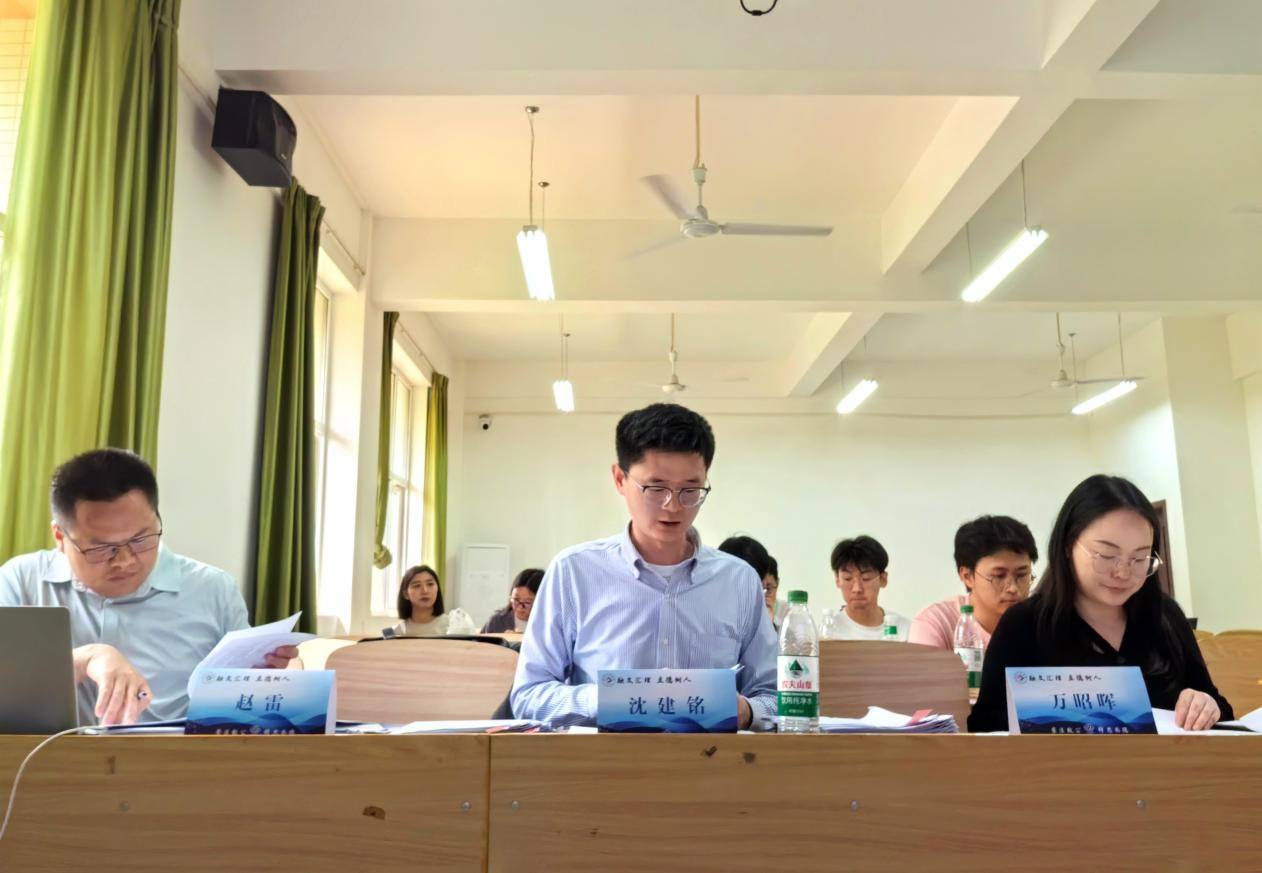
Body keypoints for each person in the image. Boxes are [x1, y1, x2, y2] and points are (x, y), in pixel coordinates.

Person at [511, 403, 777, 729]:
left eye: (691, 490)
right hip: (606, 758)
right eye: (656, 488)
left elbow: (775, 695)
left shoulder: (738, 581)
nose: (673, 505)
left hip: (710, 757)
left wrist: (746, 710)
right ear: (620, 479)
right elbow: (530, 695)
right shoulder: (574, 572)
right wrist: (614, 699)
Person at [0, 448, 297, 726]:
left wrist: (260, 679)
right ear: (60, 537)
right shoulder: (21, 581)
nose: (125, 561)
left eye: (141, 540)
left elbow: (238, 705)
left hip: (172, 758)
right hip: (48, 759)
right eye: (102, 548)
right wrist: (87, 658)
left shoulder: (213, 589)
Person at [969, 475, 1232, 732]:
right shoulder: (1023, 625)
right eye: (1106, 555)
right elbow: (984, 724)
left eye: (1140, 559)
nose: (1123, 573)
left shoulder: (1165, 616)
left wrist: (1207, 706)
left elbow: (1220, 710)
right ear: (1067, 545)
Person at [909, 515, 1038, 651]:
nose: (1013, 588)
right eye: (999, 576)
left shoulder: (1043, 623)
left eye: (1022, 575)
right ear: (967, 576)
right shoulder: (936, 623)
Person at [829, 535, 909, 640]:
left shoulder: (905, 631)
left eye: (866, 578)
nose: (857, 589)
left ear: (883, 579)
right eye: (848, 578)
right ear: (837, 580)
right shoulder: (828, 633)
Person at [392, 565, 449, 636]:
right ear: (406, 594)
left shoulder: (452, 627)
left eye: (430, 584)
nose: (425, 591)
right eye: (417, 585)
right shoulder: (396, 633)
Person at [482, 568, 543, 632]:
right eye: (516, 599)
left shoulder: (547, 623)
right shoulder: (497, 621)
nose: (520, 607)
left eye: (527, 602)